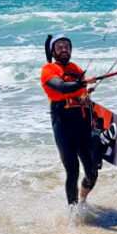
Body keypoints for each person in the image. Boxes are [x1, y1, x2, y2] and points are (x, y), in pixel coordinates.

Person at [40, 34, 99, 207]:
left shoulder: (75, 68)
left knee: (92, 172)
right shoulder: (48, 69)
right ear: (53, 51)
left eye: (67, 46)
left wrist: (87, 97)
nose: (64, 49)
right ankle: (73, 213)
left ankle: (82, 199)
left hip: (82, 124)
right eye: (60, 47)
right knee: (72, 171)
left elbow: (80, 95)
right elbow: (61, 87)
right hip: (63, 124)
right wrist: (83, 84)